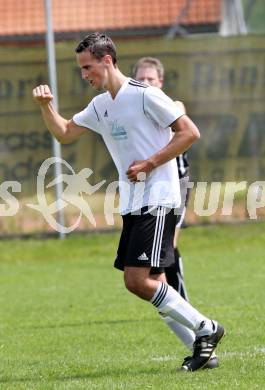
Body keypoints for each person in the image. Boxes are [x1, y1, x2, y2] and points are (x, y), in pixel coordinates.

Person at [32, 32, 225, 372]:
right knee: (155, 281)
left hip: (159, 199)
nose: (84, 75)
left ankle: (207, 329)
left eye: (87, 67)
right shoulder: (100, 105)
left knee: (137, 281)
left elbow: (189, 132)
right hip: (133, 203)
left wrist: (150, 163)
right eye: (80, 69)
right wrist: (47, 107)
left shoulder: (146, 95)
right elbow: (64, 132)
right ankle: (203, 351)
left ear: (107, 60)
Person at [132, 57, 219, 369]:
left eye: (151, 78)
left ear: (161, 82)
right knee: (153, 274)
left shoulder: (169, 104)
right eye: (141, 78)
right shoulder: (135, 106)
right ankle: (194, 327)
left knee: (162, 263)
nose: (146, 82)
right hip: (144, 195)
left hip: (173, 191)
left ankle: (198, 326)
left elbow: (179, 115)